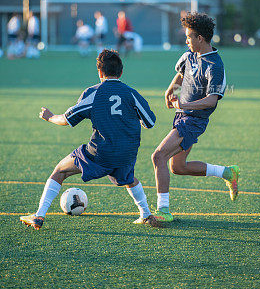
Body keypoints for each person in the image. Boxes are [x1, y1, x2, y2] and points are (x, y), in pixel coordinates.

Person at [20, 49, 162, 230]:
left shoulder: (93, 93)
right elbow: (150, 122)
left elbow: (66, 119)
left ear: (100, 72)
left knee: (59, 171)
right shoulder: (131, 93)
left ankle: (39, 216)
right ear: (121, 72)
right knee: (129, 178)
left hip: (100, 153)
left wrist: (49, 117)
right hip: (127, 154)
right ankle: (146, 214)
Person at [151, 12, 240, 222]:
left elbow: (212, 100)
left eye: (189, 36)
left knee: (158, 156)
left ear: (200, 38)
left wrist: (186, 104)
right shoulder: (189, 56)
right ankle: (227, 173)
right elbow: (182, 75)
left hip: (194, 121)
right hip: (181, 116)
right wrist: (169, 90)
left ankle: (163, 211)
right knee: (178, 167)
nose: (186, 40)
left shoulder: (215, 65)